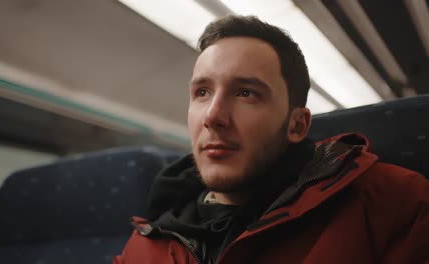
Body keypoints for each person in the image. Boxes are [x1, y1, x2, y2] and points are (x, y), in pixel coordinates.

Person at [113, 15, 428, 264]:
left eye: (246, 93)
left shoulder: (393, 205)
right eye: (202, 92)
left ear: (297, 124)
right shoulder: (146, 242)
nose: (212, 116)